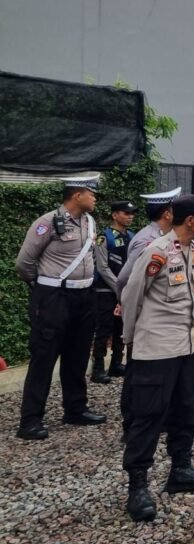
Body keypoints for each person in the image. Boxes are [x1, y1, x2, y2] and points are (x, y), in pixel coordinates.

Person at [120, 195, 194, 521]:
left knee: (184, 411)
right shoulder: (157, 251)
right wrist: (131, 339)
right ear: (190, 220)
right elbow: (132, 295)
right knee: (148, 417)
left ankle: (181, 469)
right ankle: (137, 486)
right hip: (155, 350)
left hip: (183, 348)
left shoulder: (192, 250)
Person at [15, 176, 108, 440]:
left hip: (84, 296)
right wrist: (45, 287)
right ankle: (30, 420)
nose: (95, 197)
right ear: (77, 195)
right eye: (91, 193)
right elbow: (24, 263)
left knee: (78, 354)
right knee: (44, 357)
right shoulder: (47, 222)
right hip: (54, 296)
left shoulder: (89, 222)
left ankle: (75, 408)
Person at [114, 186, 180, 438]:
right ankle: (131, 424)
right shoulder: (147, 239)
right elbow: (125, 280)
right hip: (143, 315)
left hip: (159, 317)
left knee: (155, 371)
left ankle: (156, 419)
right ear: (167, 213)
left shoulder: (165, 235)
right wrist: (127, 307)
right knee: (137, 371)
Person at [91, 201, 135, 384]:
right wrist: (119, 286)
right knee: (104, 329)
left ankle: (116, 363)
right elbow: (102, 267)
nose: (130, 216)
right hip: (105, 290)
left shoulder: (131, 236)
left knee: (121, 327)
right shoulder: (104, 237)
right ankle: (98, 368)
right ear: (115, 215)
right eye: (126, 213)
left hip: (124, 291)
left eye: (131, 214)